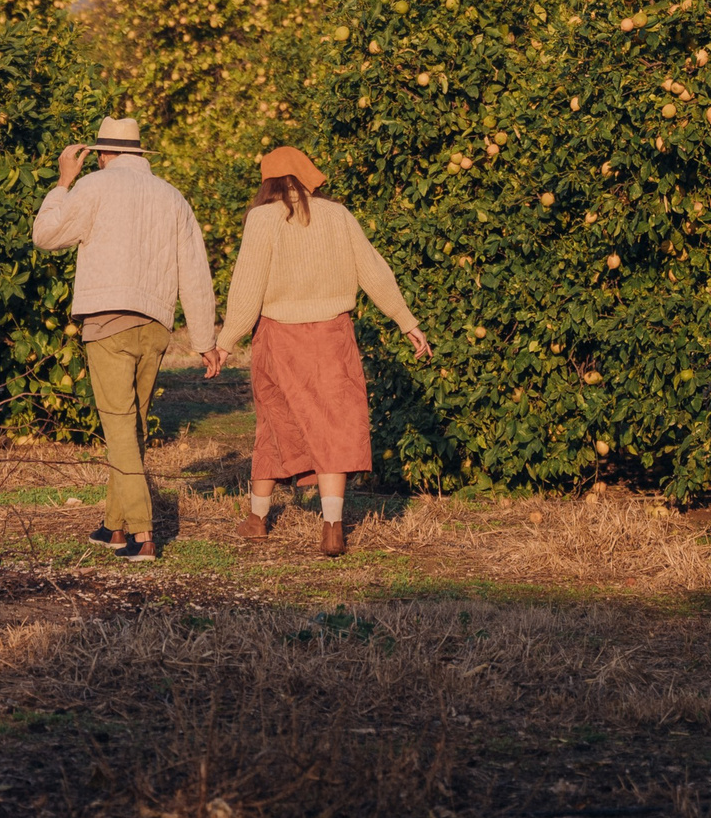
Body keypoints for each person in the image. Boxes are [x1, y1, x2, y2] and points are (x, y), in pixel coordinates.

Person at [207, 146, 430, 558]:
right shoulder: (338, 214)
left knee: (275, 422)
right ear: (306, 176)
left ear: (268, 182)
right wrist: (406, 321)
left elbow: (247, 287)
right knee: (334, 423)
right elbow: (373, 270)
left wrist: (225, 343)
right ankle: (332, 526)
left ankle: (257, 520)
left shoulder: (262, 219)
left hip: (279, 337)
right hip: (333, 334)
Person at [31, 116, 216, 561]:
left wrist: (63, 182)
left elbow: (45, 235)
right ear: (138, 153)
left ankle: (143, 534)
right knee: (130, 429)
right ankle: (114, 527)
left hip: (107, 321)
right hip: (155, 325)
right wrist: (205, 338)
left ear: (100, 154)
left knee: (118, 427)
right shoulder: (173, 197)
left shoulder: (93, 187)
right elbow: (195, 272)